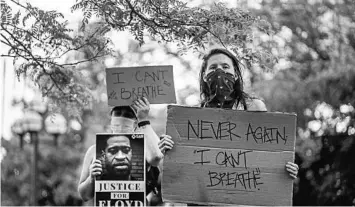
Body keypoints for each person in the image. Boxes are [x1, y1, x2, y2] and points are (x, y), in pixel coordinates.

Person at [199, 48, 298, 178]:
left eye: (225, 66)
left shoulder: (253, 107)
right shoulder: (195, 116)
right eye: (213, 67)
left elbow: (268, 153)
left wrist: (287, 169)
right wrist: (169, 149)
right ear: (205, 76)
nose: (219, 71)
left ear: (235, 74)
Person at [78, 97, 167, 205]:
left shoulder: (145, 146)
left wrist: (143, 120)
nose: (122, 117)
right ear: (111, 118)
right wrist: (91, 178)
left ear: (135, 122)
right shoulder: (93, 150)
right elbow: (84, 195)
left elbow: (156, 157)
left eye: (128, 115)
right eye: (118, 112)